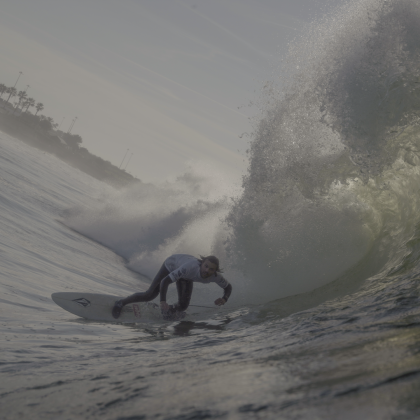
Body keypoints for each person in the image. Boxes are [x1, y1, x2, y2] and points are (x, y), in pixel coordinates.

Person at [112, 254, 232, 320]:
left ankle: (169, 310)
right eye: (205, 266)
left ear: (215, 271)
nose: (207, 270)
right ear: (202, 263)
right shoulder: (190, 267)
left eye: (211, 269)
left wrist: (224, 299)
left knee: (183, 306)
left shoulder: (216, 277)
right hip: (172, 265)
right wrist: (163, 301)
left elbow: (228, 287)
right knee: (150, 295)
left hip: (186, 276)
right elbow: (165, 281)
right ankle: (120, 303)